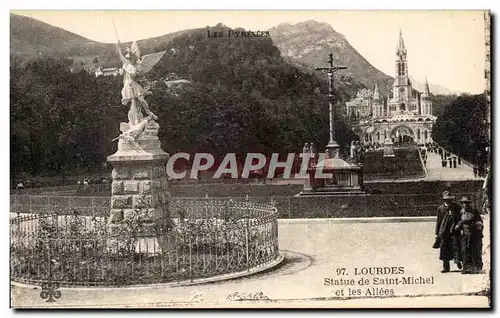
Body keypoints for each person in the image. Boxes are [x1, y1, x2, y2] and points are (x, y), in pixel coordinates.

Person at [434, 191, 462, 273]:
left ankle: (458, 261)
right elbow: (438, 221)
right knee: (444, 248)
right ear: (444, 200)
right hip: (444, 231)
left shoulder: (456, 207)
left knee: (456, 246)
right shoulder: (440, 208)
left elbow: (461, 218)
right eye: (446, 199)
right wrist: (437, 233)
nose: (448, 201)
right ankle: (446, 267)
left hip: (454, 230)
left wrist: (459, 226)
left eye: (449, 199)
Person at [455, 196, 483, 274]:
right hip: (464, 233)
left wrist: (476, 227)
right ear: (462, 204)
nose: (465, 204)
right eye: (463, 203)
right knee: (464, 250)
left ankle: (474, 268)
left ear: (469, 204)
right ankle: (465, 268)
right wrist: (458, 226)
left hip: (473, 233)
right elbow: (457, 222)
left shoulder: (474, 212)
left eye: (467, 203)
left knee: (473, 250)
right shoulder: (460, 212)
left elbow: (480, 222)